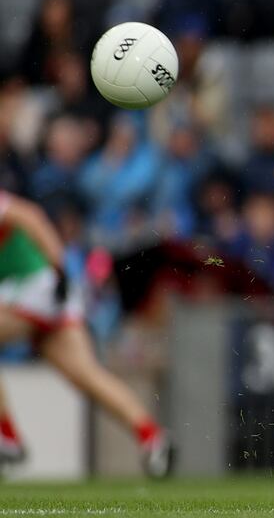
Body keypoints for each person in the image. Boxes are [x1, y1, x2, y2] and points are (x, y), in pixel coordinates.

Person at [0, 192, 173, 477]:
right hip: (43, 294)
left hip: (37, 287)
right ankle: (152, 437)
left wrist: (59, 268)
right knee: (86, 373)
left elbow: (30, 216)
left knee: (86, 373)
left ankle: (8, 440)